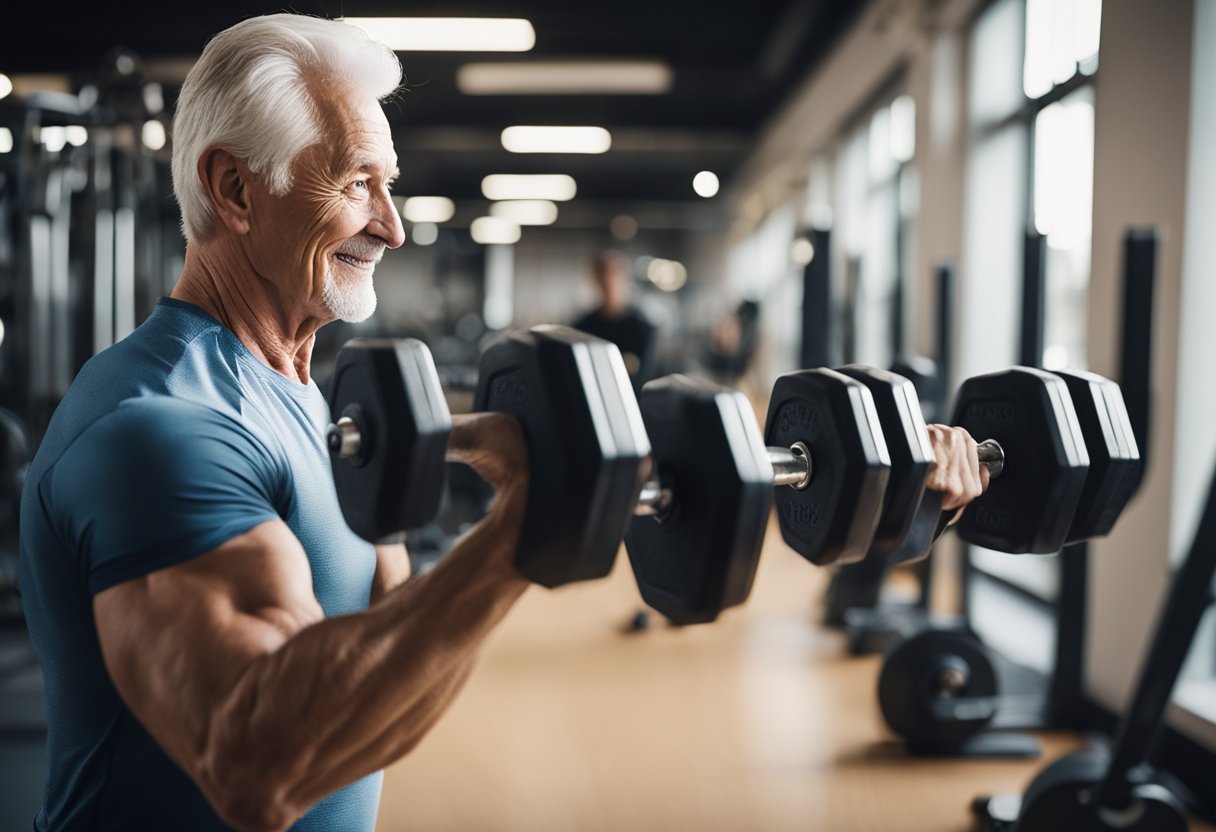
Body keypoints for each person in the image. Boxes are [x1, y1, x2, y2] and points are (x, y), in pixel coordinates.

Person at [17, 14, 989, 831]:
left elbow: (382, 681)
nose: (392, 226)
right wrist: (524, 531)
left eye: (389, 184)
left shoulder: (302, 396)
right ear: (234, 189)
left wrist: (548, 507)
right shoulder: (161, 428)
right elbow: (254, 761)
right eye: (357, 182)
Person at [571, 250, 659, 390]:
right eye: (604, 278)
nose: (609, 284)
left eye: (613, 277)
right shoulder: (583, 327)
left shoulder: (642, 327)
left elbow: (646, 377)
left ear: (624, 279)